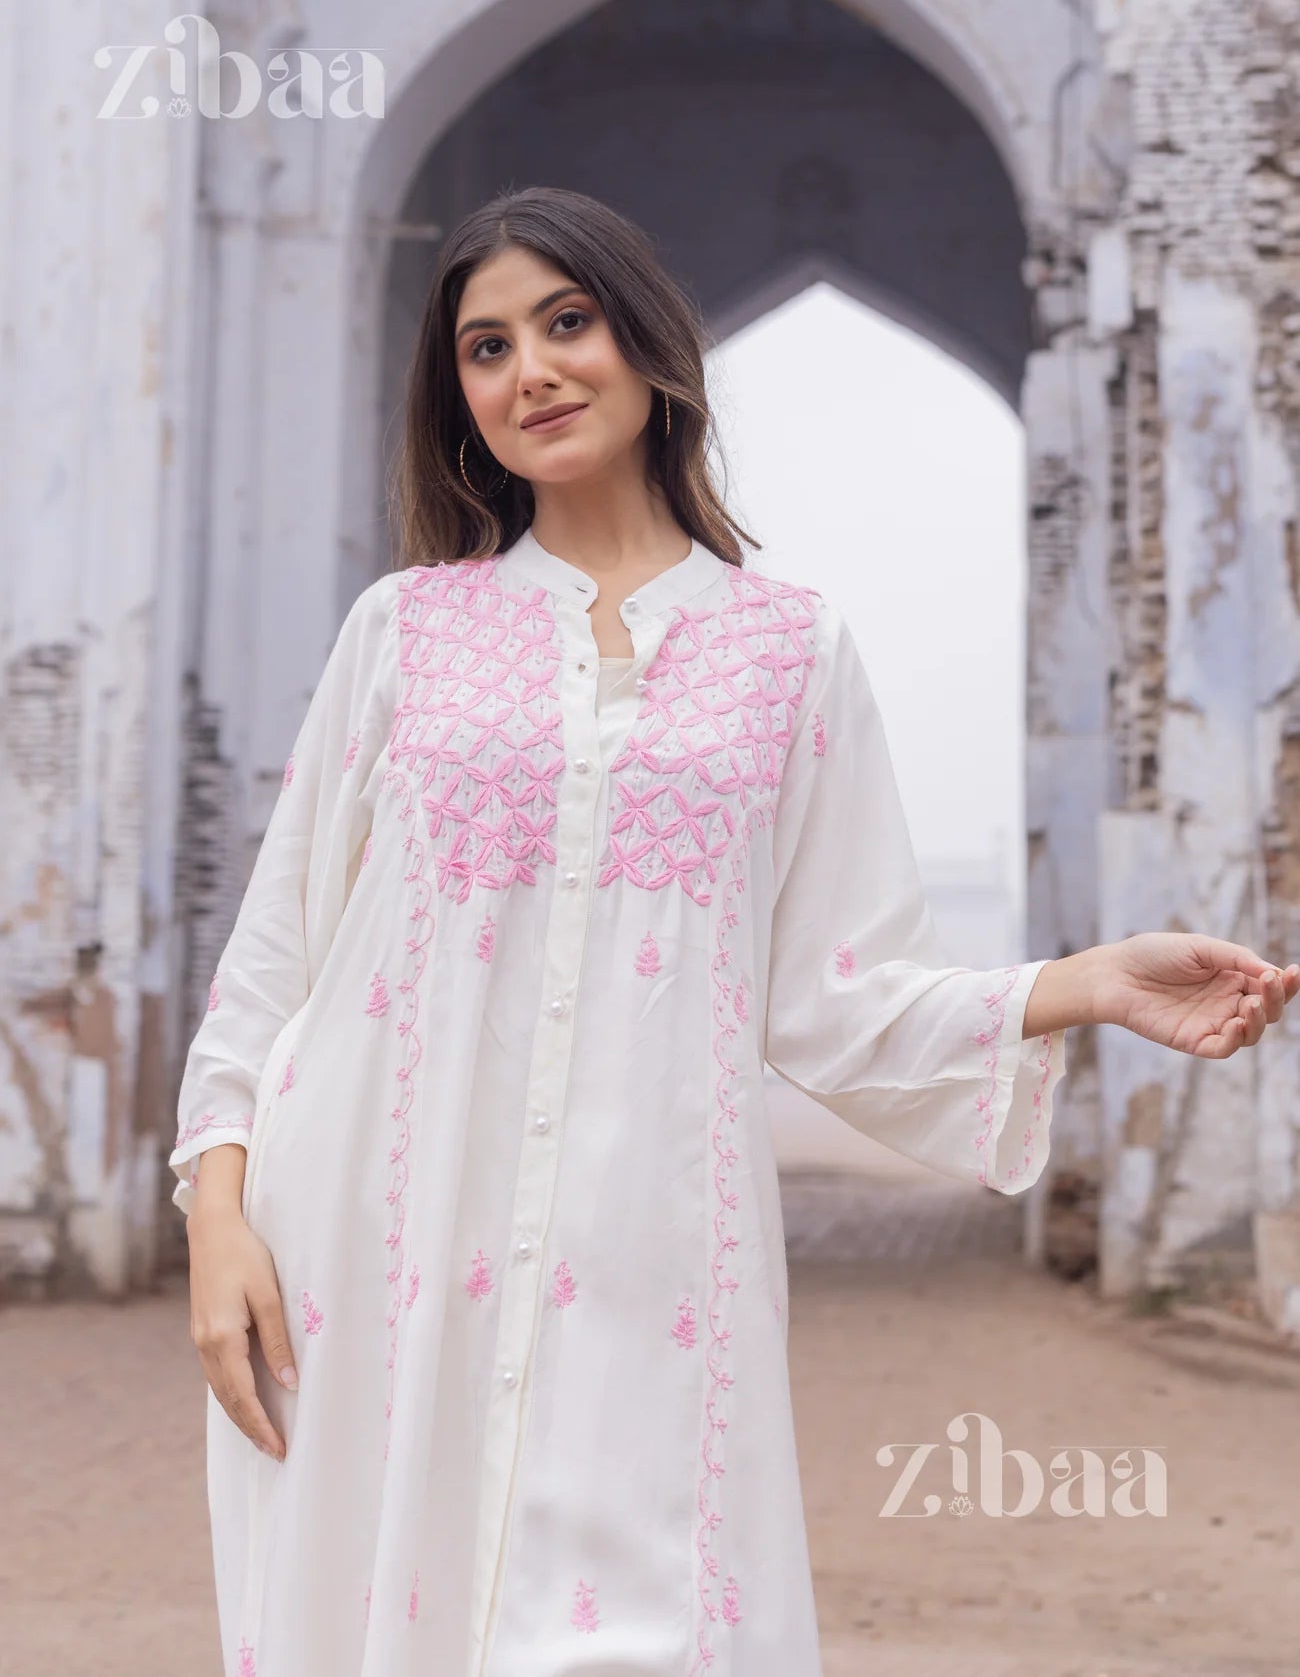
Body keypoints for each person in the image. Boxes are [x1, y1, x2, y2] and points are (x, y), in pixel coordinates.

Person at [172, 185, 1299, 1677]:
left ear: (648, 346)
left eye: (567, 323)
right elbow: (275, 963)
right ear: (459, 394)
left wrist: (1080, 983)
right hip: (369, 1262)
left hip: (652, 1277)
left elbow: (836, 993)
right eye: (487, 346)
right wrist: (217, 1219)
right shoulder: (402, 633)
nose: (532, 372)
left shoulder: (791, 651)